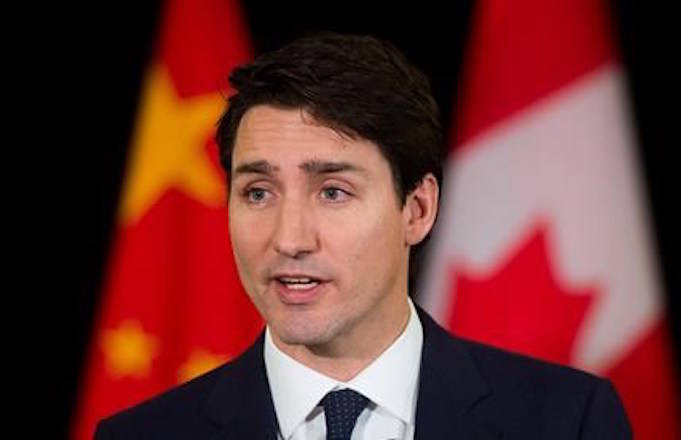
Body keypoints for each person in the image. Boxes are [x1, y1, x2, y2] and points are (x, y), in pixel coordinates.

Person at [94, 32, 632, 439]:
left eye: (332, 191)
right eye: (258, 192)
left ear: (417, 209)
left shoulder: (567, 422)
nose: (289, 239)